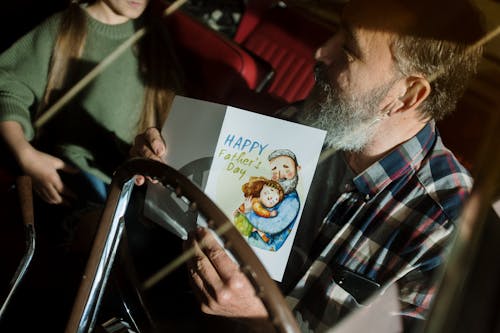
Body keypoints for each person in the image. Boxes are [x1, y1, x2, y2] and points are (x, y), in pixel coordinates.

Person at [130, 0, 484, 331]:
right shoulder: (298, 128)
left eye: (348, 50)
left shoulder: (448, 234)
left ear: (407, 95)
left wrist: (261, 318)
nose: (321, 51)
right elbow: (198, 226)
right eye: (338, 33)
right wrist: (162, 172)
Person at [0, 0, 182, 330]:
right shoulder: (66, 25)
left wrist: (149, 148)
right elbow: (7, 87)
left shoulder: (155, 38)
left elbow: (161, 126)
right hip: (68, 182)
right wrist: (26, 156)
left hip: (132, 189)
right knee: (114, 245)